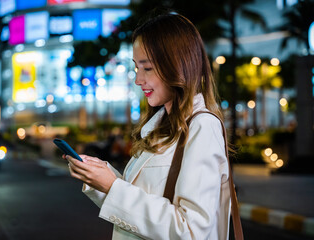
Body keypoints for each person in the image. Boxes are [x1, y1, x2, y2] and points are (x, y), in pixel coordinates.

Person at [66, 9, 231, 239]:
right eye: (136, 67)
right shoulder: (159, 127)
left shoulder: (202, 127)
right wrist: (101, 179)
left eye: (147, 68)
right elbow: (139, 202)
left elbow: (192, 231)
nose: (138, 79)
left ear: (177, 65)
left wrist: (114, 187)